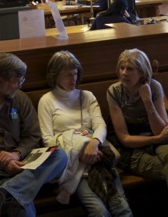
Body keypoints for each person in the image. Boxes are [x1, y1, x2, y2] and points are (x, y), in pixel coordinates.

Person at [0, 53, 68, 217]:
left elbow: (33, 135)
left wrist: (16, 154)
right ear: (0, 81)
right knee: (21, 208)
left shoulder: (20, 98)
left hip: (22, 163)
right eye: (17, 81)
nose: (20, 86)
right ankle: (8, 192)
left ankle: (1, 194)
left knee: (59, 155)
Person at [106, 49, 168, 217]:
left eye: (130, 69)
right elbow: (125, 138)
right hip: (132, 146)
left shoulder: (154, 87)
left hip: (156, 136)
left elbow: (160, 128)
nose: (124, 73)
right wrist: (157, 138)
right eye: (121, 68)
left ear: (142, 72)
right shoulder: (114, 92)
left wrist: (147, 101)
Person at [38, 51, 132, 216]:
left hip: (99, 159)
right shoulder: (47, 100)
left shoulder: (86, 96)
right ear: (55, 75)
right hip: (73, 168)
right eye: (68, 75)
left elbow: (100, 125)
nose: (73, 79)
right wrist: (79, 150)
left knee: (122, 208)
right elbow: (47, 141)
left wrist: (94, 143)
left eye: (75, 74)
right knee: (99, 212)